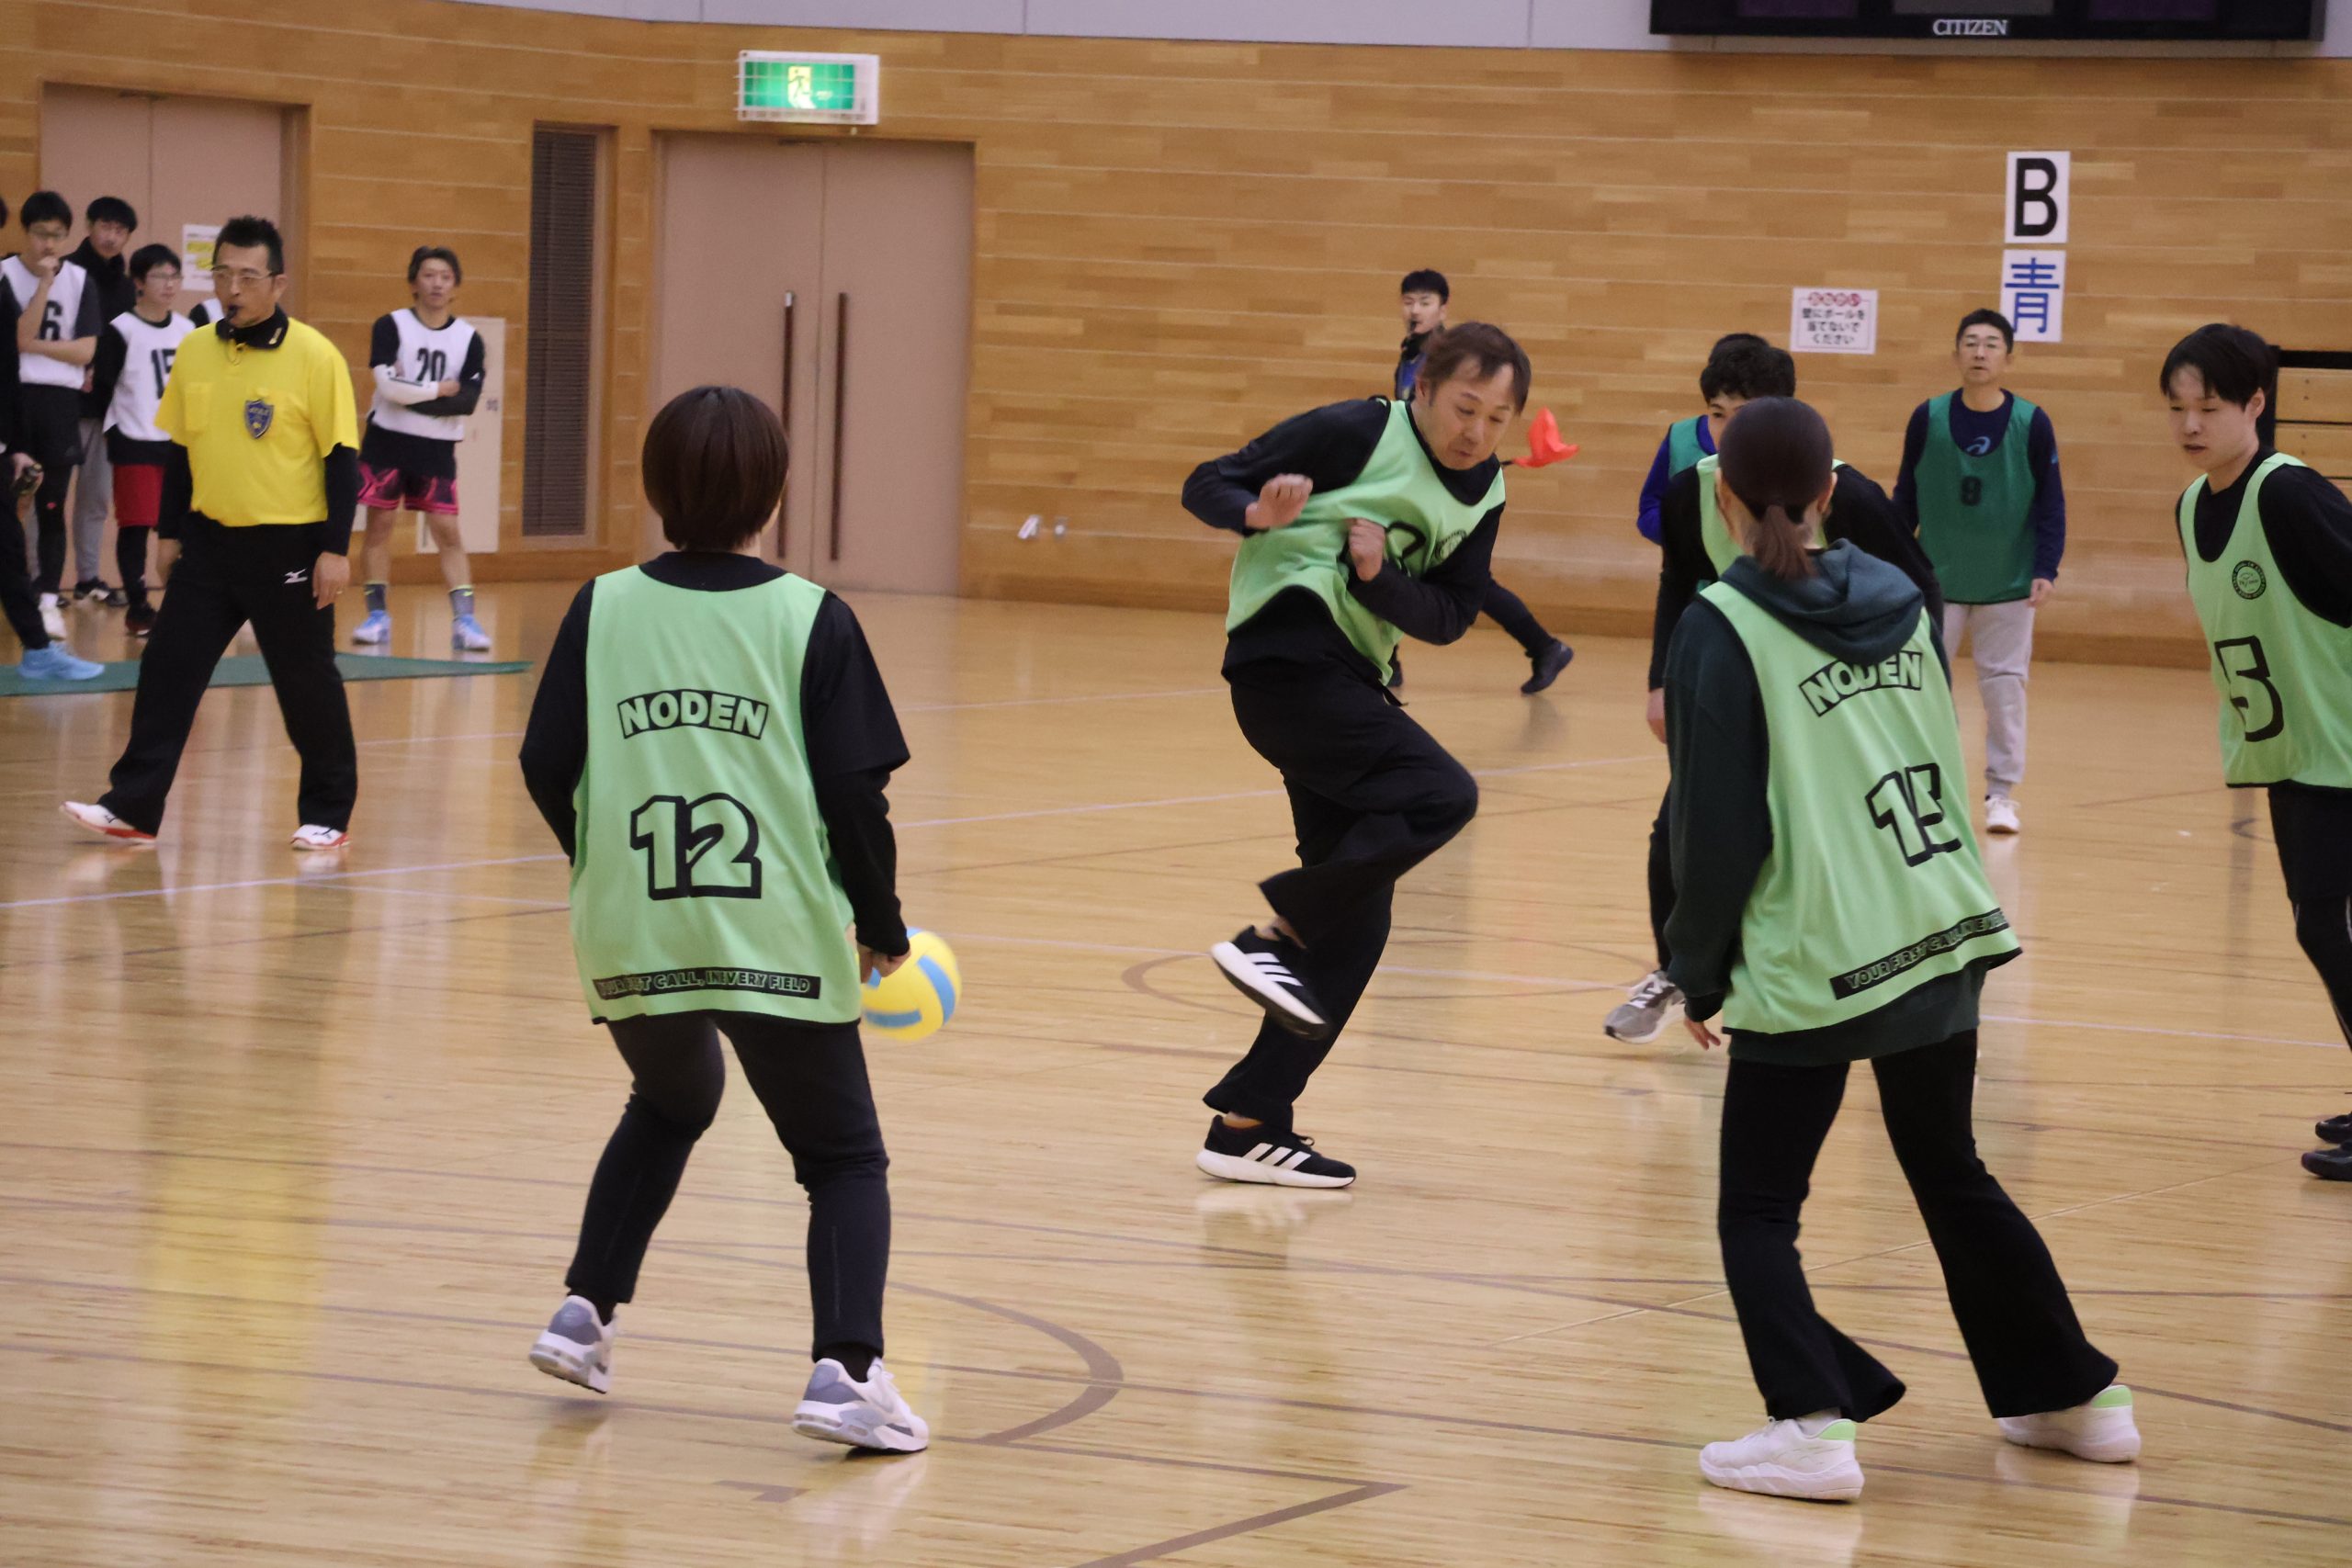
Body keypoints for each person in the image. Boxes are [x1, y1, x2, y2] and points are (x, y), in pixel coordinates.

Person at [1664, 395, 2134, 1502]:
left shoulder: (1722, 625)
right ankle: (2074, 1397)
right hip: (1936, 924)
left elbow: (1714, 830)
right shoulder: (1900, 596)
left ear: (1722, 500)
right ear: (1832, 493)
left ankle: (1810, 1426)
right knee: (1948, 1166)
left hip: (1818, 948)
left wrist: (1695, 969)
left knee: (1757, 1209)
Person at [517, 385, 928, 1454]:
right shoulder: (808, 617)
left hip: (633, 925)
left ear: (654, 488)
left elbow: (544, 762)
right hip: (773, 931)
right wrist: (883, 924)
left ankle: (583, 1314)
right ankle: (848, 1372)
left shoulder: (602, 606)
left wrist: (604, 868)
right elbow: (856, 796)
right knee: (842, 1158)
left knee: (671, 1099)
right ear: (774, 491)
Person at [1182, 321, 1531, 1187]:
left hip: (1350, 682)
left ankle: (1248, 1122)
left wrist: (1381, 579)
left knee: (1363, 917)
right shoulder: (1357, 430)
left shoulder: (1486, 492)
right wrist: (1255, 511)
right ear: (1424, 389)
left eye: (1497, 418)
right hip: (1286, 661)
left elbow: (1450, 616)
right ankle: (1278, 931)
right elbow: (1207, 480)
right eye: (1464, 408)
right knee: (1443, 792)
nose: (1476, 432)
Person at [1606, 346, 1945, 1044]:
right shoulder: (1692, 493)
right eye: (1717, 415)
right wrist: (1660, 680)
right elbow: (1677, 582)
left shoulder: (1849, 496)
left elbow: (1921, 589)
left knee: (1833, 835)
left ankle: (1898, 959)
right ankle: (1680, 971)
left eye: (1747, 416)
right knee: (1679, 830)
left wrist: (1915, 689)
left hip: (1838, 699)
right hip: (1746, 691)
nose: (1730, 432)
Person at [61, 215, 361, 849]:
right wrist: (168, 534)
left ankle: (328, 812)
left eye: (248, 276)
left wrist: (336, 548)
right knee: (167, 669)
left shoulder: (315, 355)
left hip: (290, 546)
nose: (233, 288)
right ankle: (133, 805)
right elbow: (181, 449)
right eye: (223, 273)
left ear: (277, 282)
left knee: (305, 681)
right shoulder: (196, 349)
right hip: (209, 544)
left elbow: (341, 458)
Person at [2159, 324, 2352, 1180]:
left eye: (2209, 406)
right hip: (2292, 751)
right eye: (2178, 408)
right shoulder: (2191, 506)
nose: (2190, 424)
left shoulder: (2290, 495)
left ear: (2256, 404)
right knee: (2323, 927)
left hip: (2342, 746)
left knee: (2329, 926)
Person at [1894, 309, 2065, 837]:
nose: (1980, 352)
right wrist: (1894, 559)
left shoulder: (2032, 423)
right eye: (1970, 342)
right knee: (1923, 689)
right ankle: (1925, 790)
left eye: (1992, 344)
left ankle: (2002, 795)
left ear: (2008, 358)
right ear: (1956, 354)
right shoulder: (1927, 417)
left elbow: (2051, 502)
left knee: (2005, 692)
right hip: (1935, 583)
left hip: (2008, 584)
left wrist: (2046, 566)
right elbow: (1905, 495)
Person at [1391, 272, 1571, 695]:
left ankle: (1544, 646)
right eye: (1409, 301)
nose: (1415, 310)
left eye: (1425, 302)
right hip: (1420, 477)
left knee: (1420, 564)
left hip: (1447, 480)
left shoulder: (1452, 363)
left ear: (1443, 309)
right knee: (1413, 561)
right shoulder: (1411, 355)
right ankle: (1544, 647)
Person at [352, 245, 490, 651]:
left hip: (437, 449)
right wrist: (436, 390)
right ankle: (377, 616)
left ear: (455, 286)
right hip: (387, 442)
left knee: (448, 532)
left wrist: (409, 394)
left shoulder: (469, 339)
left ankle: (465, 621)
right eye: (429, 275)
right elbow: (387, 388)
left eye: (445, 277)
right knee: (379, 528)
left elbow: (467, 401)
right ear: (414, 282)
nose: (437, 284)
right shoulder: (390, 326)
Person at [0, 194, 100, 680]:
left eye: (59, 235)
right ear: (25, 231)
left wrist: (34, 347)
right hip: (17, 396)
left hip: (53, 406)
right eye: (42, 233)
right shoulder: (6, 275)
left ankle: (44, 609)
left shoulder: (80, 279)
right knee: (11, 521)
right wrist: (42, 285)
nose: (49, 243)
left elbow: (85, 351)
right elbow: (17, 341)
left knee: (48, 508)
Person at [90, 243, 195, 637]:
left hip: (178, 444)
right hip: (134, 439)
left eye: (175, 276)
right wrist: (113, 432)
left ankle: (183, 603)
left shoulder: (188, 330)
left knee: (183, 530)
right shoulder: (121, 330)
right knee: (135, 526)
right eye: (159, 276)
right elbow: (102, 387)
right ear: (138, 282)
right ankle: (138, 606)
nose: (169, 284)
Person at [66, 194, 139, 608]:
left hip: (108, 407)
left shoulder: (126, 286)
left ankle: (88, 577)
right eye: (105, 226)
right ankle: (38, 581)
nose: (111, 236)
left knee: (95, 498)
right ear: (89, 226)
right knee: (47, 498)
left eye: (120, 230)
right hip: (64, 402)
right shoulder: (66, 273)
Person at [1634, 332, 1770, 545]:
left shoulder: (1781, 447)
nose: (1729, 429)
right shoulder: (1680, 436)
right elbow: (1650, 507)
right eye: (1718, 414)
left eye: (1742, 414)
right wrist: (1687, 535)